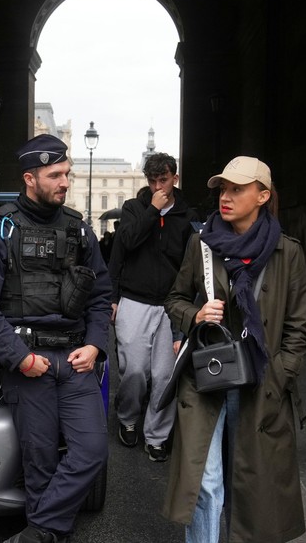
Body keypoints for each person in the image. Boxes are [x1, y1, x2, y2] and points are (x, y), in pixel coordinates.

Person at [0, 134, 111, 543]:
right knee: (40, 463)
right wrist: (20, 358)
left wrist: (95, 345)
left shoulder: (79, 230)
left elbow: (101, 296)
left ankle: (38, 532)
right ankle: (50, 535)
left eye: (67, 173)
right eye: (55, 175)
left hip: (76, 359)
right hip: (28, 363)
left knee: (92, 452)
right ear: (30, 178)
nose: (65, 182)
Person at [162, 156, 306, 542]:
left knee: (251, 485)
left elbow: (297, 327)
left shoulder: (287, 252)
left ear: (262, 196)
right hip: (206, 378)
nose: (225, 197)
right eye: (222, 189)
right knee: (205, 481)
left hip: (260, 383)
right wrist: (196, 315)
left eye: (237, 189)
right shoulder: (201, 245)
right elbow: (174, 299)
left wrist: (281, 374)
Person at [109, 152, 198, 462]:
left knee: (164, 375)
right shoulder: (134, 209)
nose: (158, 186)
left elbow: (191, 265)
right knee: (133, 370)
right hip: (135, 299)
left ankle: (157, 436)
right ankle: (128, 417)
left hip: (172, 304)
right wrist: (112, 297)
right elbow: (124, 247)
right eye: (152, 181)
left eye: (164, 180)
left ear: (175, 178)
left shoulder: (187, 216)